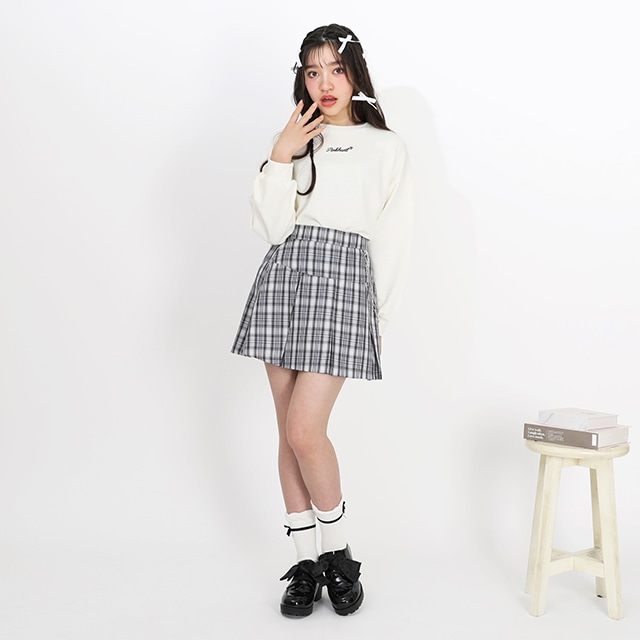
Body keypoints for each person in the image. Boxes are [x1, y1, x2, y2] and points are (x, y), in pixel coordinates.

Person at [231, 23, 413, 617]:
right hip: (285, 277)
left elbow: (392, 239)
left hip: (343, 286)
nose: (325, 83)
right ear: (302, 80)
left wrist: (377, 315)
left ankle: (338, 555)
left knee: (306, 430)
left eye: (336, 69)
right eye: (313, 72)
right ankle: (306, 566)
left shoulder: (386, 147)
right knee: (288, 431)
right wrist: (280, 155)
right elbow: (270, 227)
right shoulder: (293, 139)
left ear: (355, 73)